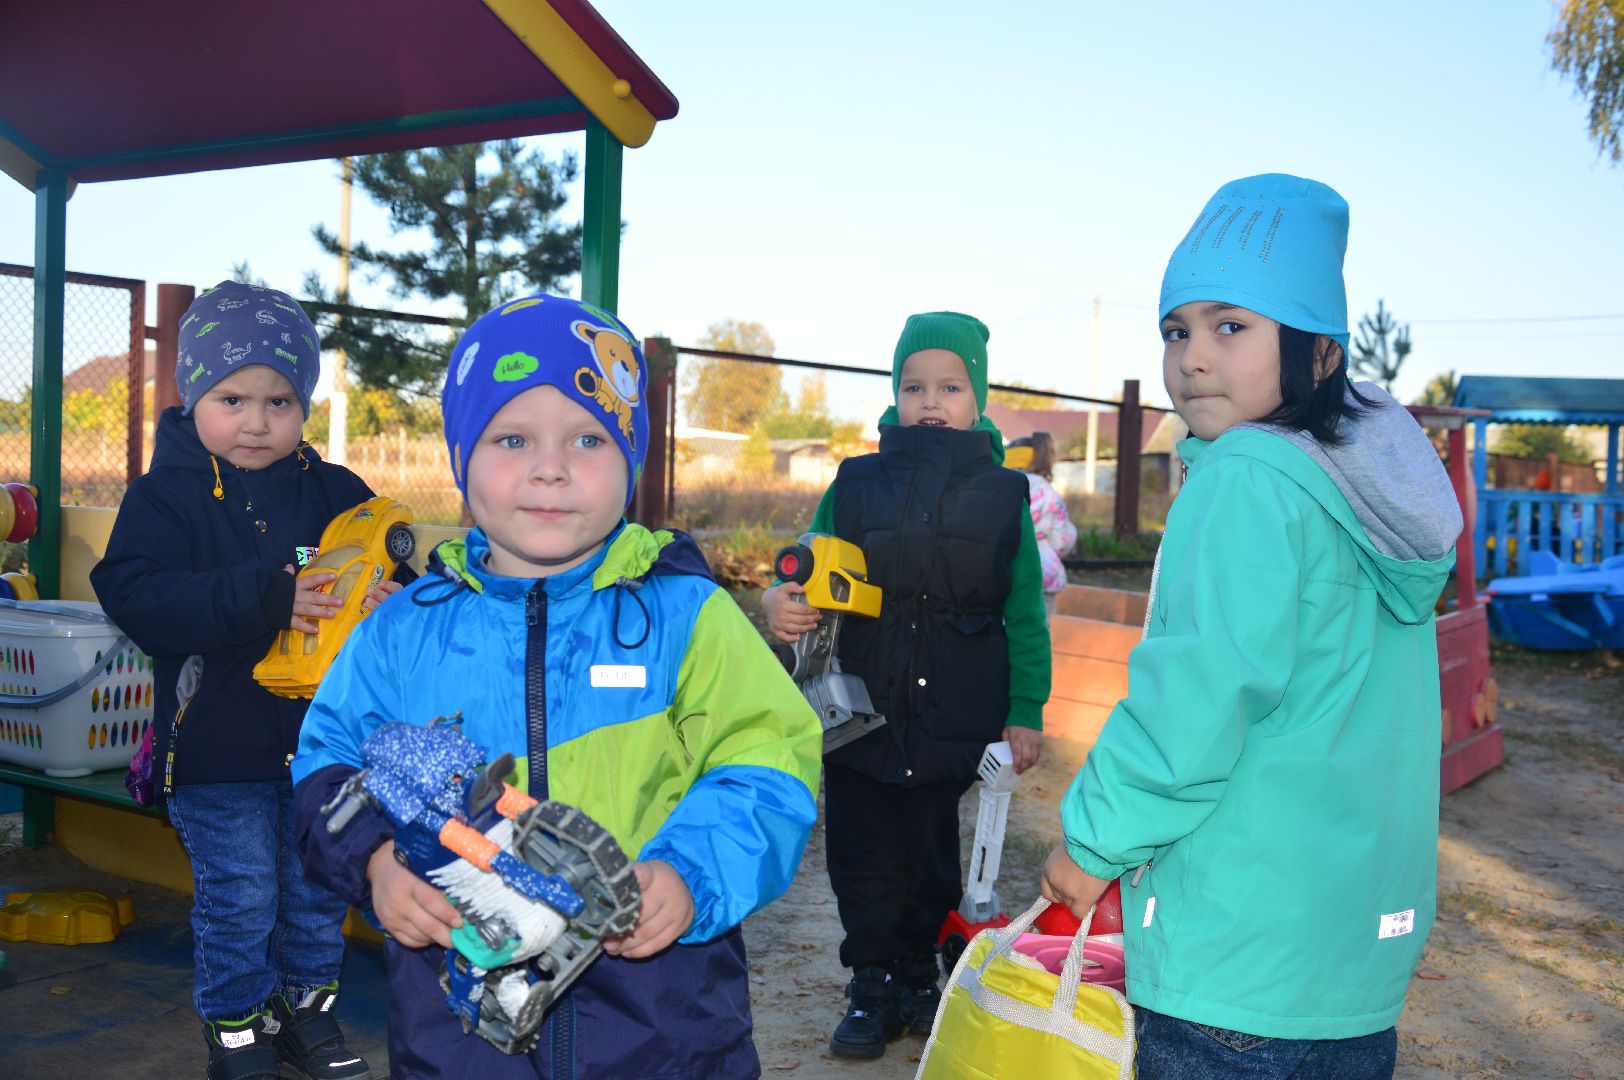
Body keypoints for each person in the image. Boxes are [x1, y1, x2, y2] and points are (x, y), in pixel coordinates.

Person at [290, 293, 823, 1079]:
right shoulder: (404, 629)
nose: (550, 467)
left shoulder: (687, 615)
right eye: (511, 438)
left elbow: (770, 760)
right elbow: (327, 769)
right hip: (460, 1031)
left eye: (588, 438)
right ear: (463, 458)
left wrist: (690, 871)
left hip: (666, 1029)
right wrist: (374, 864)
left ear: (631, 463)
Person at [1041, 175, 1462, 1079]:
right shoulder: (1373, 498)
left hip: (1234, 953)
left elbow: (1193, 700)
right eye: (1175, 329)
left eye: (1231, 326)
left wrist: (1092, 843)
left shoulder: (1247, 481)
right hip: (1351, 961)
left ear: (1316, 352)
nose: (1193, 356)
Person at [92, 281, 411, 1080]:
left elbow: (398, 563)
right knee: (240, 898)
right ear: (194, 395)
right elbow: (135, 595)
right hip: (216, 748)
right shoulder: (164, 499)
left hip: (321, 749)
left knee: (314, 892)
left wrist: (391, 599)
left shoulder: (335, 493)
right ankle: (237, 1031)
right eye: (232, 397)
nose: (257, 420)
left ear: (303, 405)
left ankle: (309, 1015)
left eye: (279, 400)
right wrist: (268, 597)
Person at [762, 311, 1051, 1060]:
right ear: (894, 393)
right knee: (861, 851)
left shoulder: (1004, 493)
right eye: (915, 384)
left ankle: (920, 975)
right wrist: (782, 599)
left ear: (977, 399)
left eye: (950, 386)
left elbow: (1023, 612)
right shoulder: (857, 482)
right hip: (860, 704)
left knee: (928, 851)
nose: (931, 400)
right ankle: (870, 985)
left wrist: (1026, 710)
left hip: (956, 706)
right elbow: (808, 560)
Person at [1006, 431, 1077, 619]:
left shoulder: (997, 487)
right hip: (1042, 571)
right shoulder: (1048, 492)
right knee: (1038, 630)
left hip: (1004, 570)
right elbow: (1061, 540)